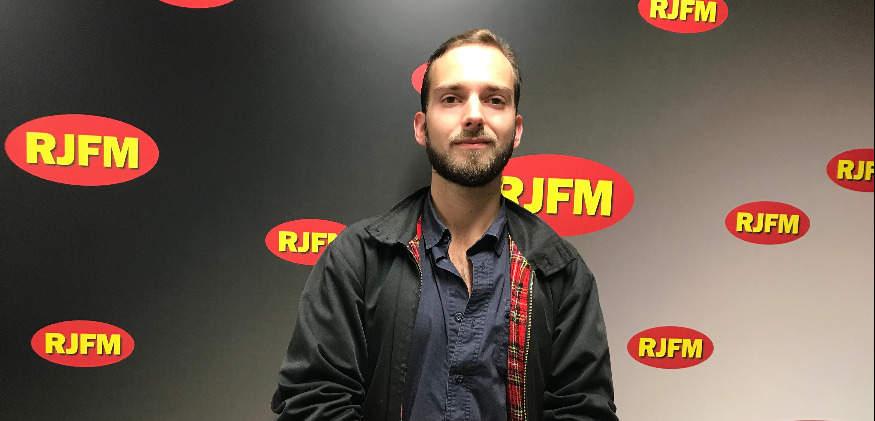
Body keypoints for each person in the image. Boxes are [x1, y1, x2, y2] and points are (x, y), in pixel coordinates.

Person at [272, 29, 618, 421]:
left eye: (494, 99)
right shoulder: (358, 260)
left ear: (517, 129)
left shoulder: (561, 274)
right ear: (421, 127)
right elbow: (311, 403)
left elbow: (585, 412)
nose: (474, 115)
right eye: (452, 98)